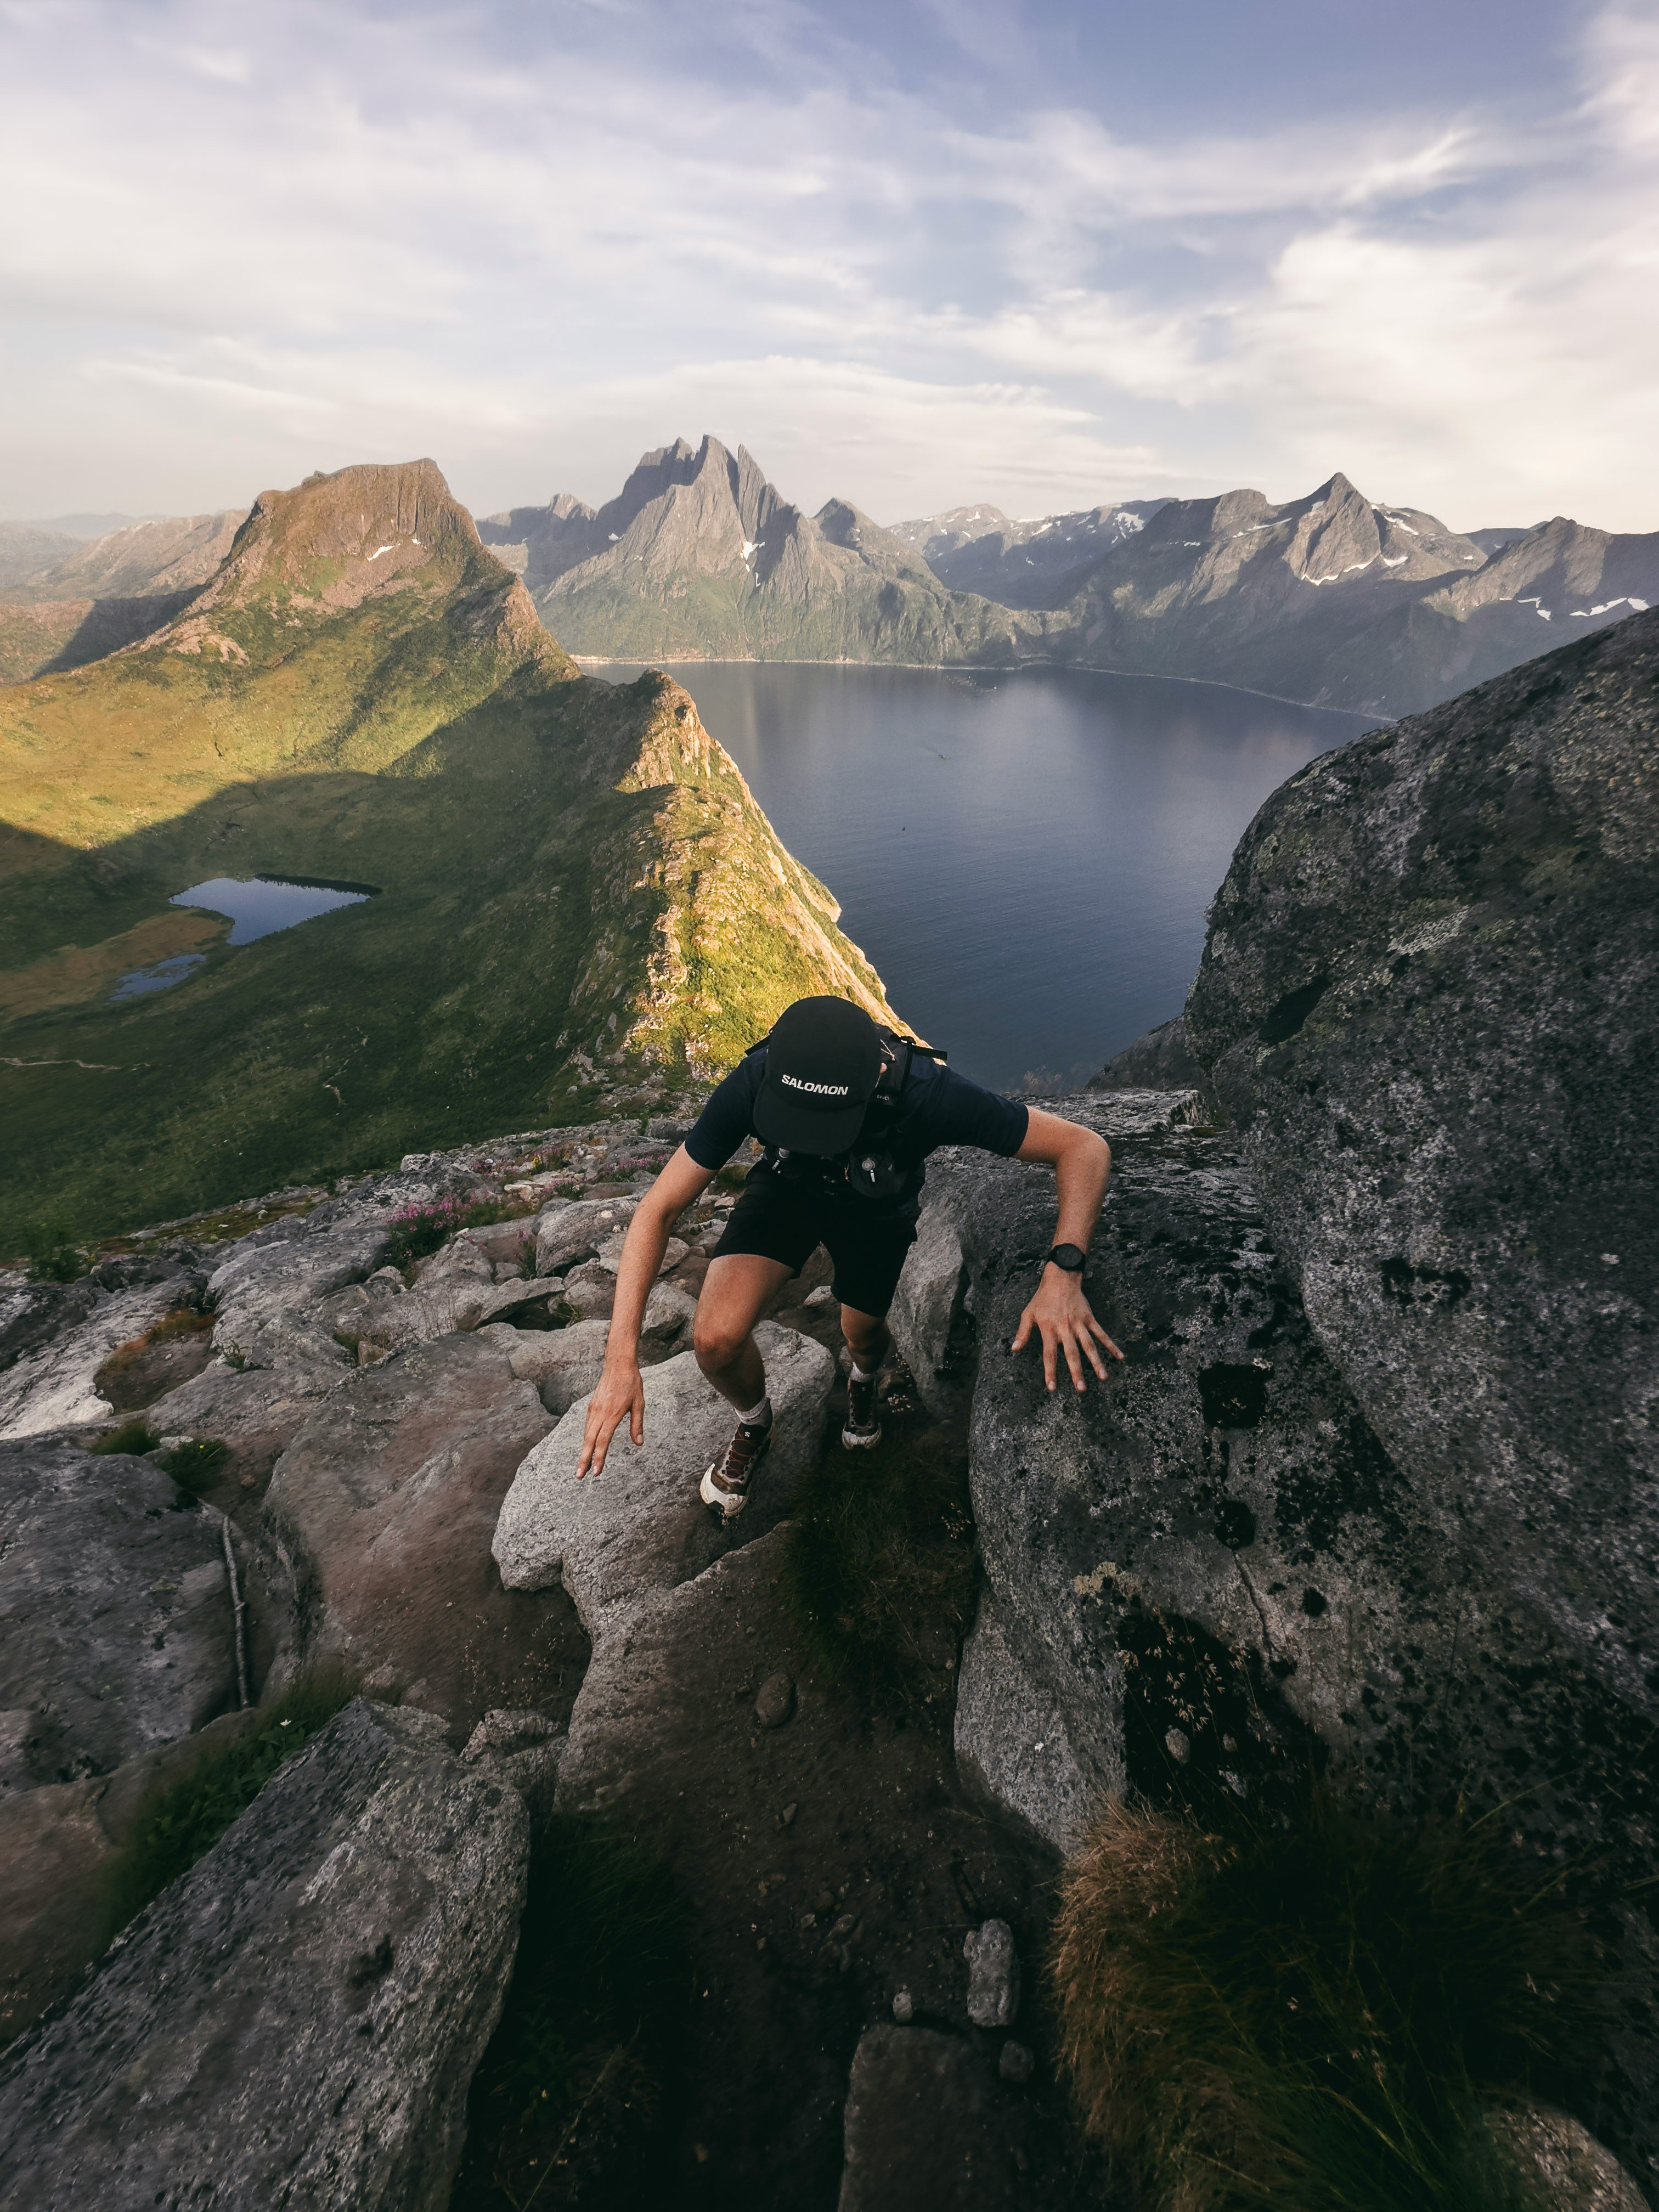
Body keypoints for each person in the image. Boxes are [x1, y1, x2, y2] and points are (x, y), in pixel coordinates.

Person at [575, 995, 1122, 1515]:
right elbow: (657, 1209)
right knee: (715, 1340)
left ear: (878, 1078)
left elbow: (1083, 1147)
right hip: (787, 1189)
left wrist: (1063, 1274)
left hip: (875, 1210)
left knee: (861, 1333)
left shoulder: (928, 1093)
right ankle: (756, 1423)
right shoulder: (755, 1078)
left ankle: (862, 1382)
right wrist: (620, 1359)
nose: (815, 1136)